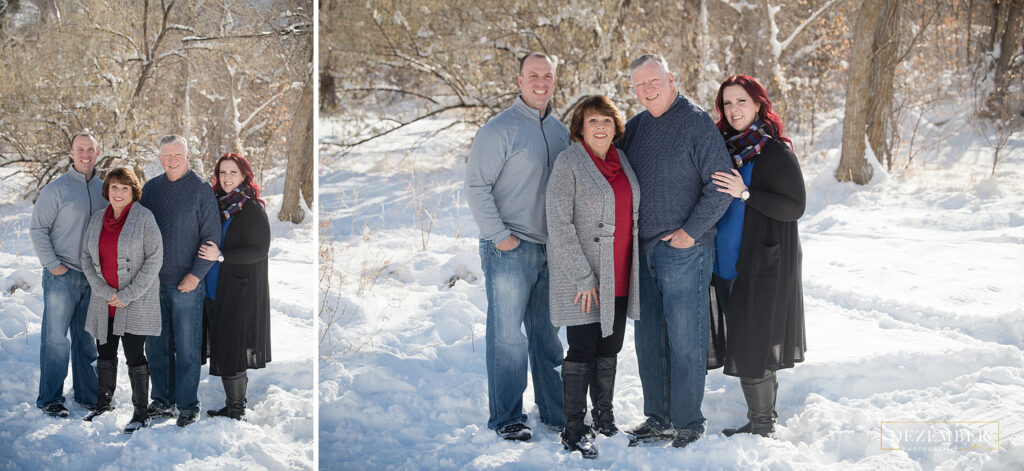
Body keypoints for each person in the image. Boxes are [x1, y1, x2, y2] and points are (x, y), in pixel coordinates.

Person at [618, 54, 733, 448]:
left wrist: (690, 232)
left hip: (685, 249)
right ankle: (658, 418)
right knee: (649, 338)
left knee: (686, 337)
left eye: (653, 81)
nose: (647, 90)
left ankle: (688, 420)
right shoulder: (634, 129)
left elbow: (721, 185)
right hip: (643, 249)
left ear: (670, 77)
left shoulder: (695, 122)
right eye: (639, 86)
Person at [465, 52, 571, 441]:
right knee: (508, 336)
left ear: (554, 81)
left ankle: (555, 412)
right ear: (519, 80)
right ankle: (507, 417)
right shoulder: (499, 129)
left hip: (550, 250)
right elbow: (476, 186)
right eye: (533, 76)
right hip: (509, 247)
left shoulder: (560, 132)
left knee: (547, 335)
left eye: (547, 76)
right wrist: (500, 237)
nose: (540, 82)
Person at [710, 74, 806, 438]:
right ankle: (761, 417)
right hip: (726, 262)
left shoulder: (774, 151)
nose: (734, 110)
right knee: (747, 338)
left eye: (741, 102)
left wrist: (746, 193)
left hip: (762, 264)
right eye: (727, 103)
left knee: (753, 340)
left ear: (758, 105)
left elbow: (794, 206)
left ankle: (762, 424)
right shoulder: (724, 146)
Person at [546, 96, 640, 459]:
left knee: (610, 348)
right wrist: (584, 276)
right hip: (583, 277)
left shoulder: (623, 160)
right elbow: (558, 222)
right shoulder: (569, 163)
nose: (600, 127)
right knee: (583, 348)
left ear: (615, 125)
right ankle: (574, 428)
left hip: (618, 272)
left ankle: (604, 418)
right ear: (580, 128)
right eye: (592, 122)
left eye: (606, 120)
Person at [140, 134, 221, 427]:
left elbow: (212, 236)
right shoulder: (151, 189)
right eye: (166, 156)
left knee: (187, 348)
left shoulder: (200, 190)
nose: (172, 160)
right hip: (152, 284)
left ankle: (188, 404)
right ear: (160, 158)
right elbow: (140, 231)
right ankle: (161, 401)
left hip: (186, 284)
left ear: (187, 156)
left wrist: (195, 275)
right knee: (157, 347)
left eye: (177, 155)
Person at [80, 167, 163, 433]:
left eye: (124, 188)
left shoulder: (144, 218)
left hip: (135, 301)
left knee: (135, 355)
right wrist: (105, 292)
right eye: (114, 187)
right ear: (107, 190)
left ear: (133, 191)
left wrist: (127, 295)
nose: (118, 193)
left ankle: (141, 413)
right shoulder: (97, 219)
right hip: (104, 301)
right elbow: (86, 259)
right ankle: (103, 404)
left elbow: (154, 259)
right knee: (105, 352)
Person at [30, 132, 105, 417]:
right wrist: (52, 265)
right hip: (62, 274)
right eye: (80, 149)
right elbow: (38, 229)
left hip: (92, 278)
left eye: (90, 149)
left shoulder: (103, 188)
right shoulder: (56, 189)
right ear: (71, 153)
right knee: (56, 340)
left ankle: (88, 394)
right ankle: (50, 397)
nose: (85, 154)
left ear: (97, 152)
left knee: (86, 339)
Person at [197, 152, 272, 421]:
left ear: (244, 176)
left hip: (239, 290)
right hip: (214, 288)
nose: (227, 178)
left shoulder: (251, 208)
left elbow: (259, 250)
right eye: (222, 173)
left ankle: (237, 409)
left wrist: (221, 256)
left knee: (231, 347)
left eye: (233, 172)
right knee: (225, 345)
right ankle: (235, 403)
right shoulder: (217, 205)